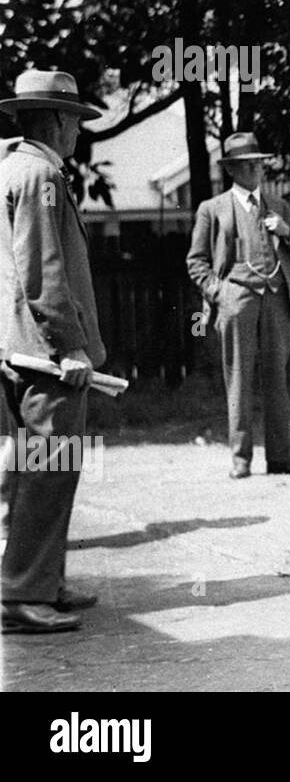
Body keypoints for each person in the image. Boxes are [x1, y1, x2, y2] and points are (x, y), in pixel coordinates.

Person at [0, 70, 104, 634]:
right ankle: (22, 593)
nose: (78, 133)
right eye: (76, 122)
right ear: (60, 121)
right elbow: (43, 269)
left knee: (32, 469)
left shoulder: (8, 168)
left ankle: (42, 580)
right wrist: (71, 346)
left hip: (15, 346)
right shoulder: (41, 175)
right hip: (45, 353)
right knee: (50, 470)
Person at [186, 133, 290, 479]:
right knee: (238, 380)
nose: (256, 170)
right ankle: (241, 459)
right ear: (232, 170)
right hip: (236, 299)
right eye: (247, 165)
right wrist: (220, 292)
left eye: (259, 163)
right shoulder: (213, 209)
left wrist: (286, 232)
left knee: (277, 381)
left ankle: (281, 458)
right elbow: (196, 261)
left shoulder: (278, 206)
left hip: (276, 299)